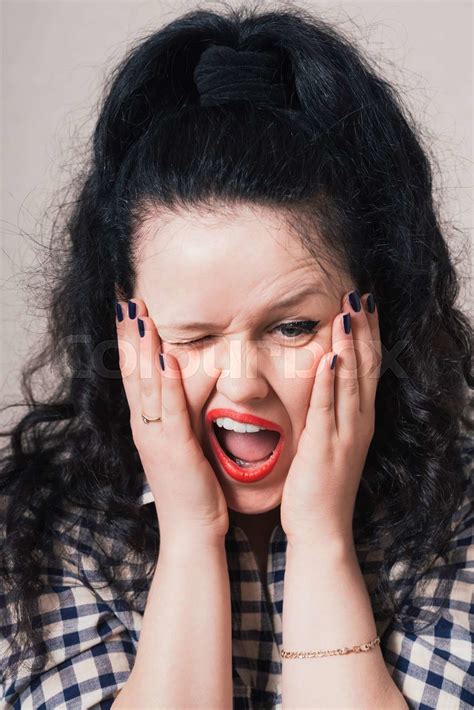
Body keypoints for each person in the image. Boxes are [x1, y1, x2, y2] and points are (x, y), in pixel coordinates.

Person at [0, 5, 472, 709]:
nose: (242, 385)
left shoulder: (457, 526)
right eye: (191, 338)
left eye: (292, 328)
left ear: (374, 314)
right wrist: (191, 538)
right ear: (126, 329)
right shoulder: (38, 537)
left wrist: (321, 540)